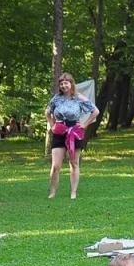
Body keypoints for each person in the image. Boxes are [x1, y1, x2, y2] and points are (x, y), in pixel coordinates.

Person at [45, 72, 99, 200]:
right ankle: (52, 192)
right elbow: (47, 112)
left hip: (74, 132)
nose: (64, 85)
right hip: (59, 132)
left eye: (66, 83)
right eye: (62, 83)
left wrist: (85, 124)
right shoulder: (56, 99)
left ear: (71, 84)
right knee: (56, 165)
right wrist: (52, 125)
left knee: (74, 163)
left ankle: (73, 192)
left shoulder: (79, 98)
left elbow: (95, 111)